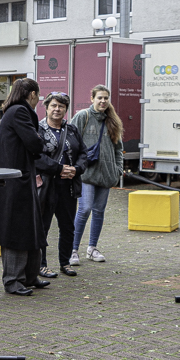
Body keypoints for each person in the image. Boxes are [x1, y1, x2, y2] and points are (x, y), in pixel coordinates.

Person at [0, 78, 49, 295]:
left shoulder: (14, 111)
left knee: (30, 228)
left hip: (19, 178)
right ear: (32, 94)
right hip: (16, 180)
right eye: (38, 95)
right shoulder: (20, 111)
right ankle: (13, 280)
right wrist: (39, 141)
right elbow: (35, 143)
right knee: (17, 230)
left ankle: (28, 276)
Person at [69, 85, 125, 265]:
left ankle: (92, 248)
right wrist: (74, 167)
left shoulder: (113, 120)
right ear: (92, 98)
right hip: (86, 173)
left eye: (106, 98)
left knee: (99, 211)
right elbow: (69, 142)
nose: (103, 101)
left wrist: (117, 169)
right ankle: (73, 249)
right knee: (84, 209)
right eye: (99, 98)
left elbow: (118, 149)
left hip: (106, 175)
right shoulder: (83, 117)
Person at [36, 93, 85, 277]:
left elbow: (83, 153)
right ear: (46, 107)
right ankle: (41, 265)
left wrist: (77, 169)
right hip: (47, 185)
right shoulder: (37, 130)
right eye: (54, 105)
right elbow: (36, 157)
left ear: (66, 109)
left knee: (67, 226)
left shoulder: (72, 129)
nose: (57, 109)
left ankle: (65, 262)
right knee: (43, 226)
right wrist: (57, 168)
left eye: (61, 106)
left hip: (68, 186)